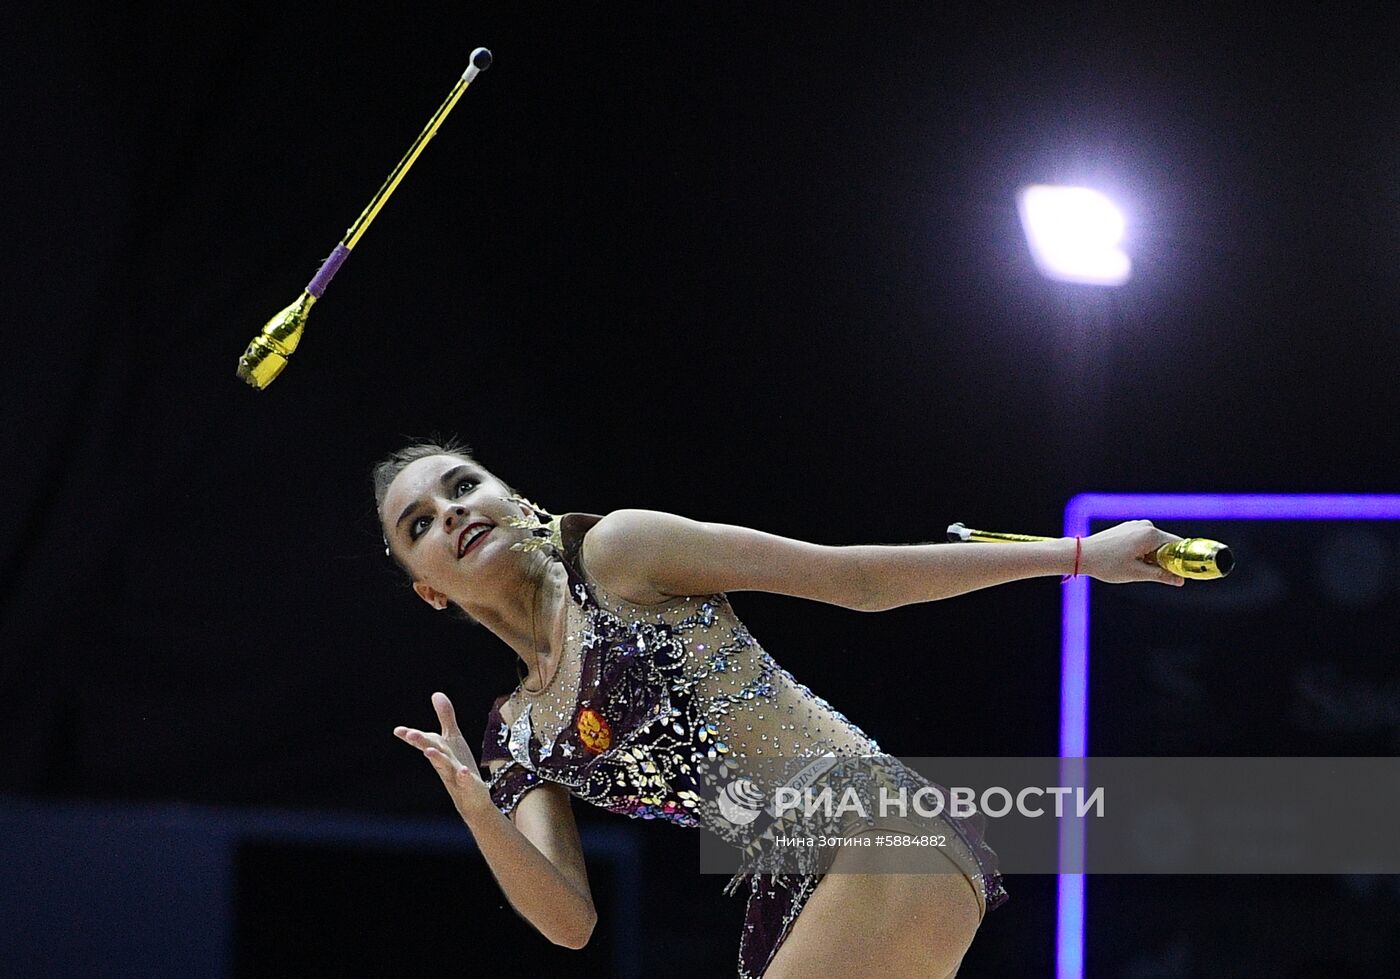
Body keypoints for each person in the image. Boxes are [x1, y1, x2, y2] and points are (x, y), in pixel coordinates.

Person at [376, 439, 1185, 977]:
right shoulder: (513, 737)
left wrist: (1082, 555)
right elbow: (569, 923)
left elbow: (851, 579)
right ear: (427, 588)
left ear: (511, 495)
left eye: (463, 484)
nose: (450, 510)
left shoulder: (619, 553)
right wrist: (482, 813)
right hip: (793, 889)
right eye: (421, 522)